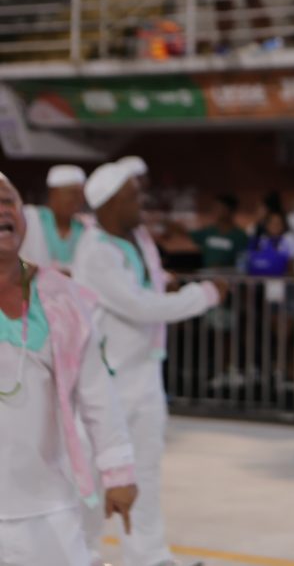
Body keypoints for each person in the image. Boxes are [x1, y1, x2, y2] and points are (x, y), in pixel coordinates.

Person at [72, 162, 225, 566]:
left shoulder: (136, 237)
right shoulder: (96, 251)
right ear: (108, 204)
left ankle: (149, 556)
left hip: (145, 372)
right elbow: (140, 306)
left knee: (146, 470)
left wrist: (163, 281)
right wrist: (203, 295)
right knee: (93, 473)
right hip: (108, 377)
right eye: (132, 196)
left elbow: (146, 282)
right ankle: (79, 554)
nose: (141, 201)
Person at [0, 173, 137, 566]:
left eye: (8, 201)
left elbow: (97, 393)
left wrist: (118, 471)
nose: (2, 211)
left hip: (47, 508)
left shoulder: (62, 299)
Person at [19, 164, 88, 274]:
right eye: (73, 193)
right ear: (54, 192)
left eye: (81, 194)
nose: (79, 199)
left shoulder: (86, 227)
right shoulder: (29, 218)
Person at [191, 194, 249, 270]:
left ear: (228, 210)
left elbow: (243, 262)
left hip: (228, 275)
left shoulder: (240, 236)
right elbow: (188, 234)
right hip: (207, 273)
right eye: (214, 208)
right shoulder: (208, 231)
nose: (214, 211)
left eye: (218, 208)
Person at [247, 210, 294, 276]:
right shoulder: (261, 240)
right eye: (272, 223)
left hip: (281, 278)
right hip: (259, 277)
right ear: (266, 225)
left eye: (278, 223)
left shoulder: (289, 240)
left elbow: (292, 267)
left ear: (284, 225)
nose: (275, 225)